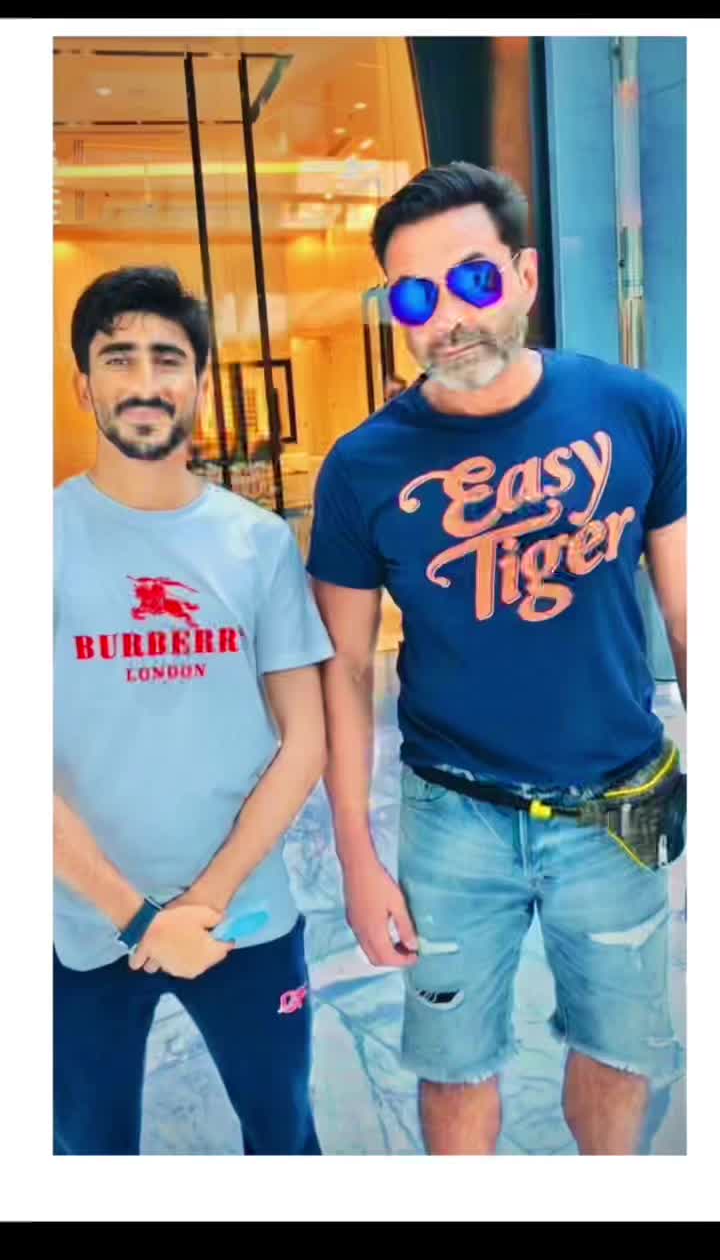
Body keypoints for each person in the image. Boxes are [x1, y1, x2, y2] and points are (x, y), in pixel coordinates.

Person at [307, 163, 686, 1156]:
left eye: (473, 280)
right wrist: (356, 856)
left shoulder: (637, 411)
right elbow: (344, 672)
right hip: (452, 818)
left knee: (619, 1058)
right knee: (453, 1070)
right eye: (414, 297)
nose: (449, 318)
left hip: (618, 805)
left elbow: (691, 616)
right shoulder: (361, 467)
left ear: (523, 275)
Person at [54, 266, 334, 1155]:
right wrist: (139, 918)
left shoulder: (257, 543)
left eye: (167, 358)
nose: (144, 382)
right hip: (82, 925)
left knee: (284, 1138)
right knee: (90, 1154)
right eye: (118, 358)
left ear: (202, 385)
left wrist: (201, 905)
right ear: (83, 385)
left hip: (244, 916)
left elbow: (306, 741)